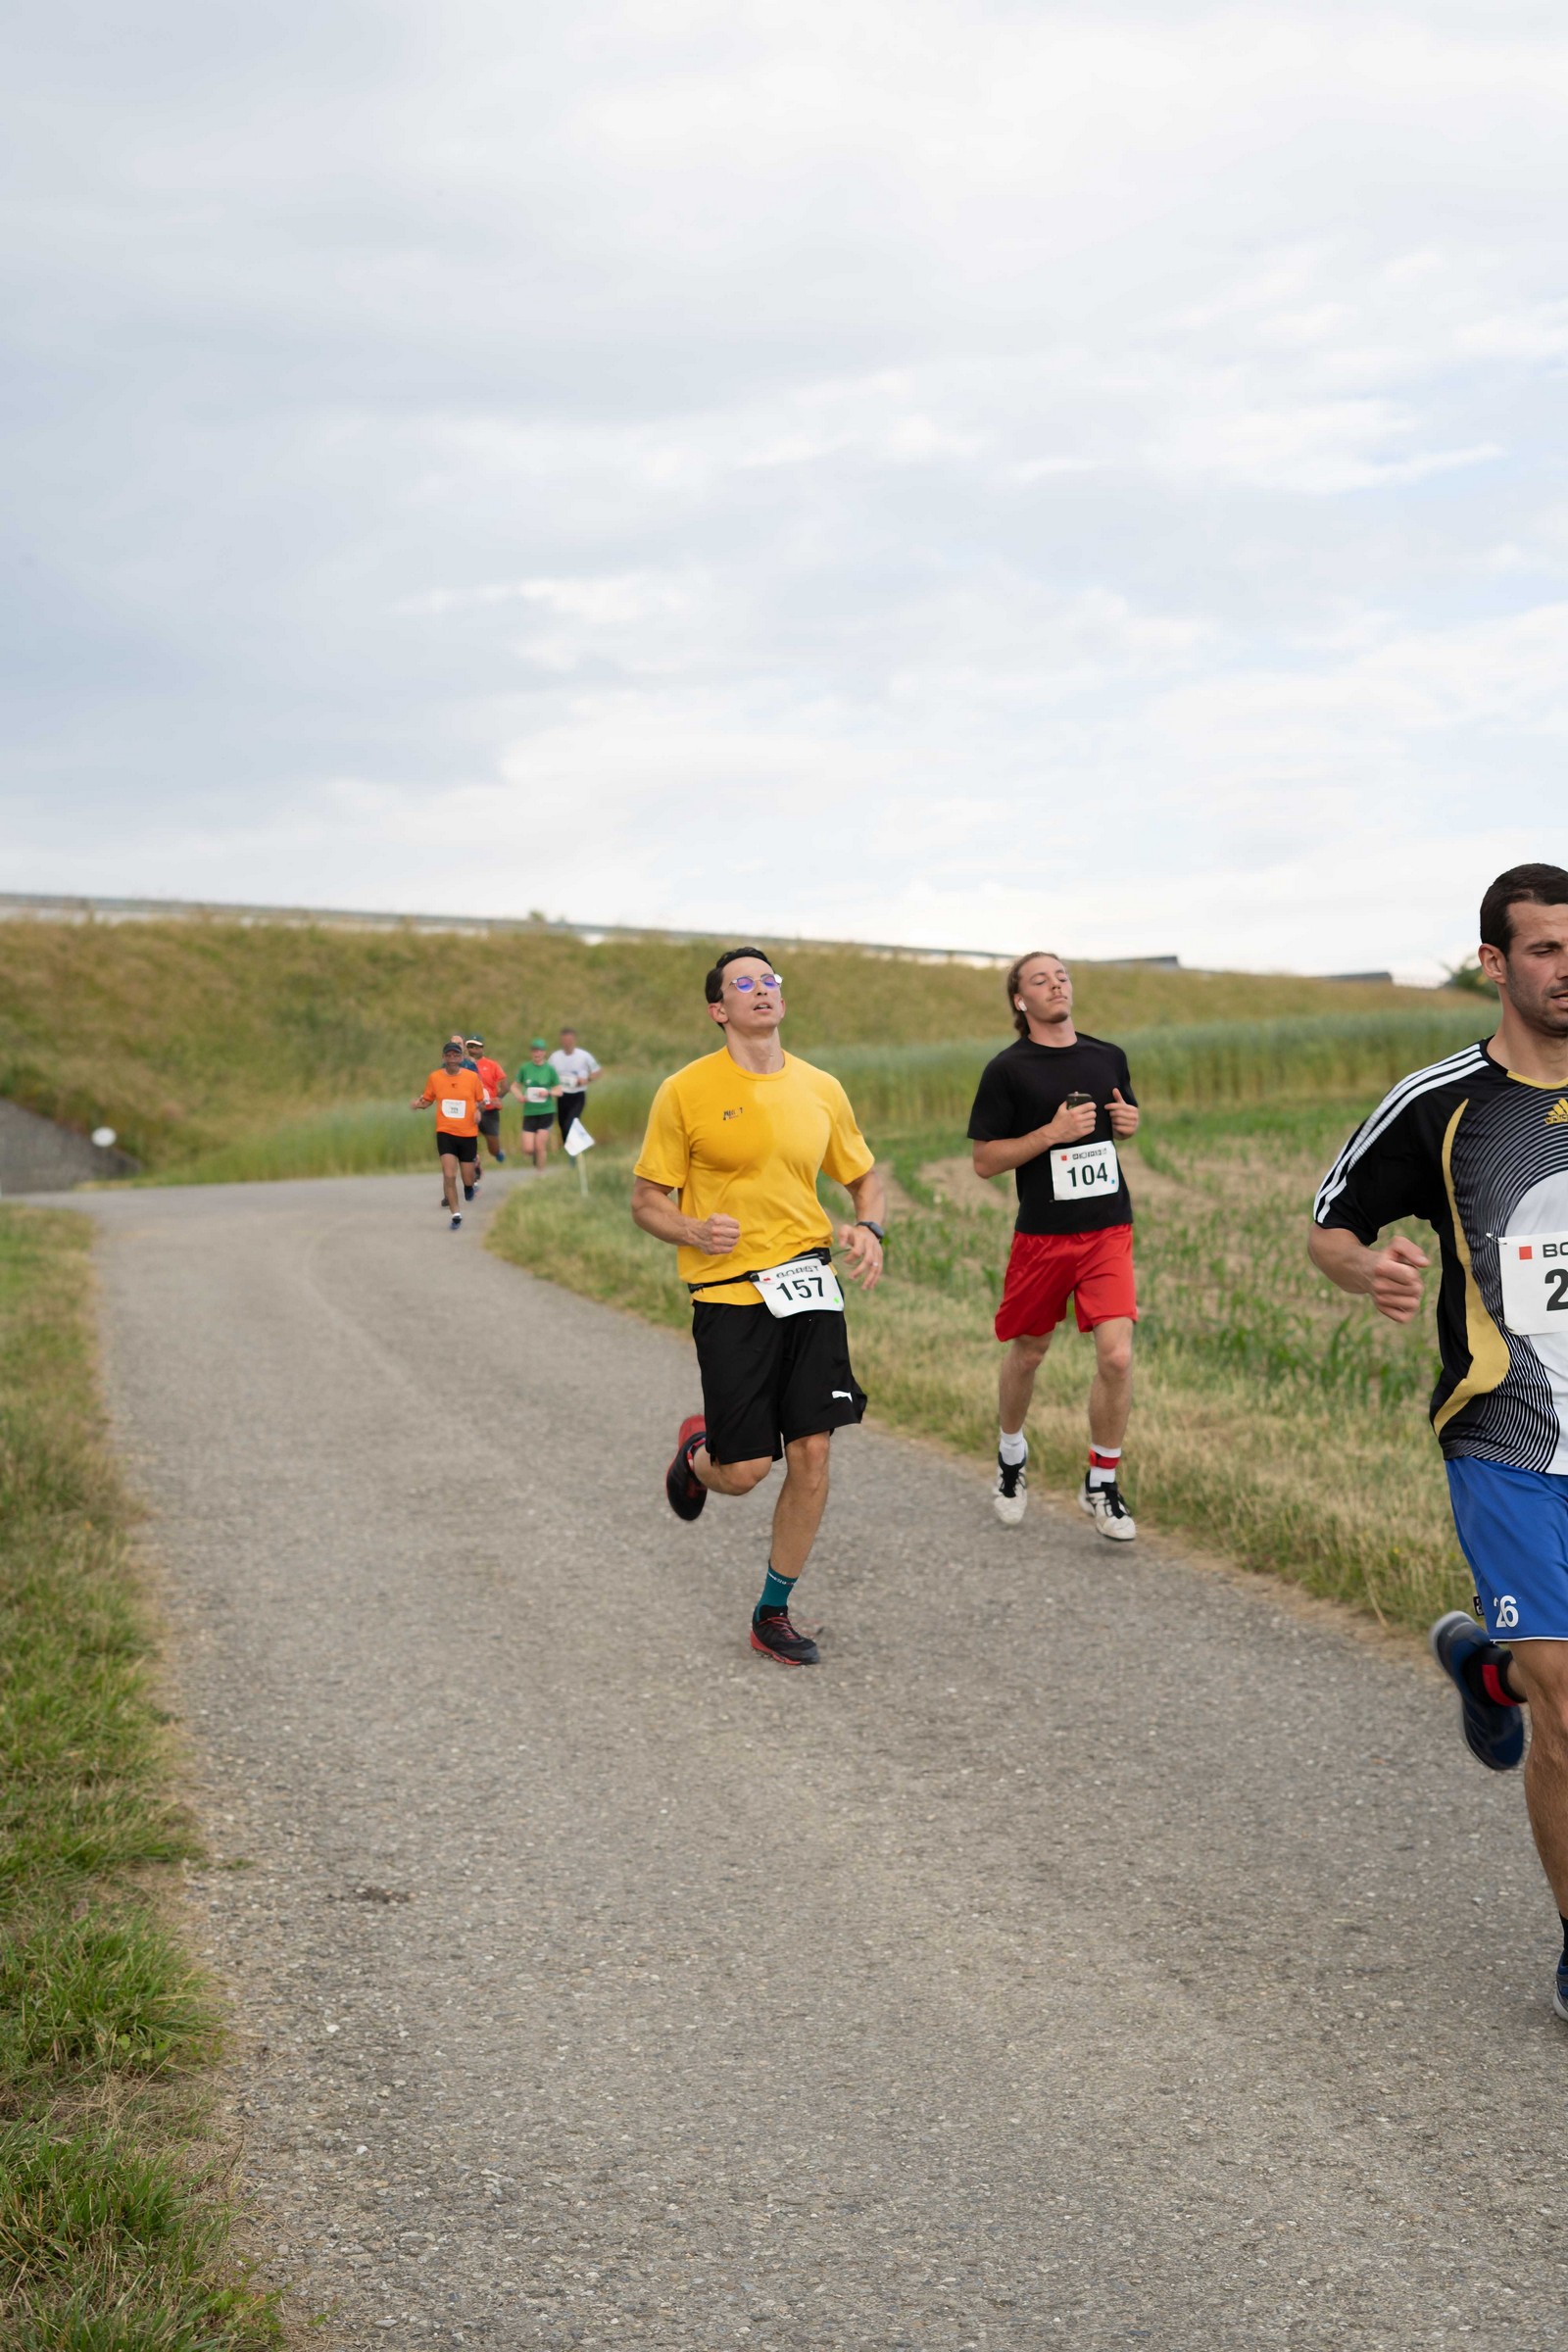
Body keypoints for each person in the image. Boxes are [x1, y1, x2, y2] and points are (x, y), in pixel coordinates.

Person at [1309, 861, 1568, 2020]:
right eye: (1545, 949)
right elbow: (1330, 1225)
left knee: (1546, 1680)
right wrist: (1367, 1267)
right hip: (1504, 1431)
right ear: (1493, 963)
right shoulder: (1439, 1102)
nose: (1566, 970)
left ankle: (1483, 1668)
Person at [631, 949, 886, 1666]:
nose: (760, 989)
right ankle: (697, 1457)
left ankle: (773, 1611)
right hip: (728, 1291)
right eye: (742, 983)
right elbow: (646, 1201)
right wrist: (691, 1230)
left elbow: (864, 1177)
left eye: (769, 979)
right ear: (719, 1010)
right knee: (744, 1472)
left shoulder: (821, 1087)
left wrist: (869, 1227)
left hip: (807, 1280)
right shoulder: (684, 1092)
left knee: (812, 1450)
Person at [966, 951, 1141, 1538]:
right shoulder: (1007, 1070)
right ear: (1021, 1000)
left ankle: (1102, 1482)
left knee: (1117, 1356)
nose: (1056, 984)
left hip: (1108, 1228)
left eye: (1061, 975)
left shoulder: (1107, 1055)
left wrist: (1129, 1124)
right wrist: (1051, 1134)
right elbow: (985, 1161)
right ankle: (1011, 1457)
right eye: (1040, 980)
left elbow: (1122, 1120)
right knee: (1029, 1352)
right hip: (1043, 1236)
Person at [412, 1040, 487, 1228]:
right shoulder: (435, 1077)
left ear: (461, 1058)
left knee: (467, 1176)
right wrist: (418, 1105)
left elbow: (481, 1102)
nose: (452, 1058)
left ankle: (469, 1186)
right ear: (443, 1057)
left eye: (456, 1055)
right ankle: (456, 1214)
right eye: (449, 1055)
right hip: (445, 1132)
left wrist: (479, 1111)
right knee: (449, 1174)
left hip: (468, 1133)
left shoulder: (472, 1078)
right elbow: (428, 1099)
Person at [509, 1040, 562, 1171]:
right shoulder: (525, 1068)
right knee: (528, 1149)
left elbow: (559, 1090)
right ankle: (535, 1158)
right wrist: (520, 1096)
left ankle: (540, 1174)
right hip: (530, 1112)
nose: (537, 1054)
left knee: (540, 1145)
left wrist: (548, 1092)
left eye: (540, 1051)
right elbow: (514, 1087)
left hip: (546, 1111)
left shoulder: (550, 1069)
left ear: (544, 1053)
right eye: (534, 1051)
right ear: (531, 1053)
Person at [550, 1027, 602, 1150]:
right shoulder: (555, 1057)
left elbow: (597, 1071)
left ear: (574, 1040)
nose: (567, 1043)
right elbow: (548, 1073)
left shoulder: (584, 1056)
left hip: (577, 1095)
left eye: (569, 1040)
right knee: (562, 1124)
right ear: (561, 1041)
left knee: (571, 1123)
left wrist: (587, 1079)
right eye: (564, 1040)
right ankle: (570, 1150)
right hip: (562, 1095)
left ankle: (581, 1145)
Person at [466, 1036, 509, 1165]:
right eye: (470, 1047)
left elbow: (505, 1086)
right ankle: (473, 1165)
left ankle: (497, 1152)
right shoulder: (463, 1066)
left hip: (489, 1110)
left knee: (493, 1147)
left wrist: (498, 1098)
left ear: (482, 1048)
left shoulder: (492, 1065)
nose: (473, 1050)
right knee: (468, 1142)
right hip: (470, 1110)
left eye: (476, 1047)